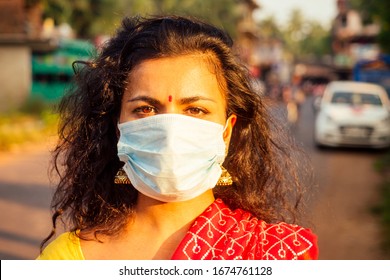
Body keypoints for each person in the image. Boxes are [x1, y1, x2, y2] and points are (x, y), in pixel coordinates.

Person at [37, 15, 318, 260]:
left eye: (195, 109)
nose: (170, 131)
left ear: (227, 132)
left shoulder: (274, 254)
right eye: (145, 109)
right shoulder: (66, 261)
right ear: (118, 128)